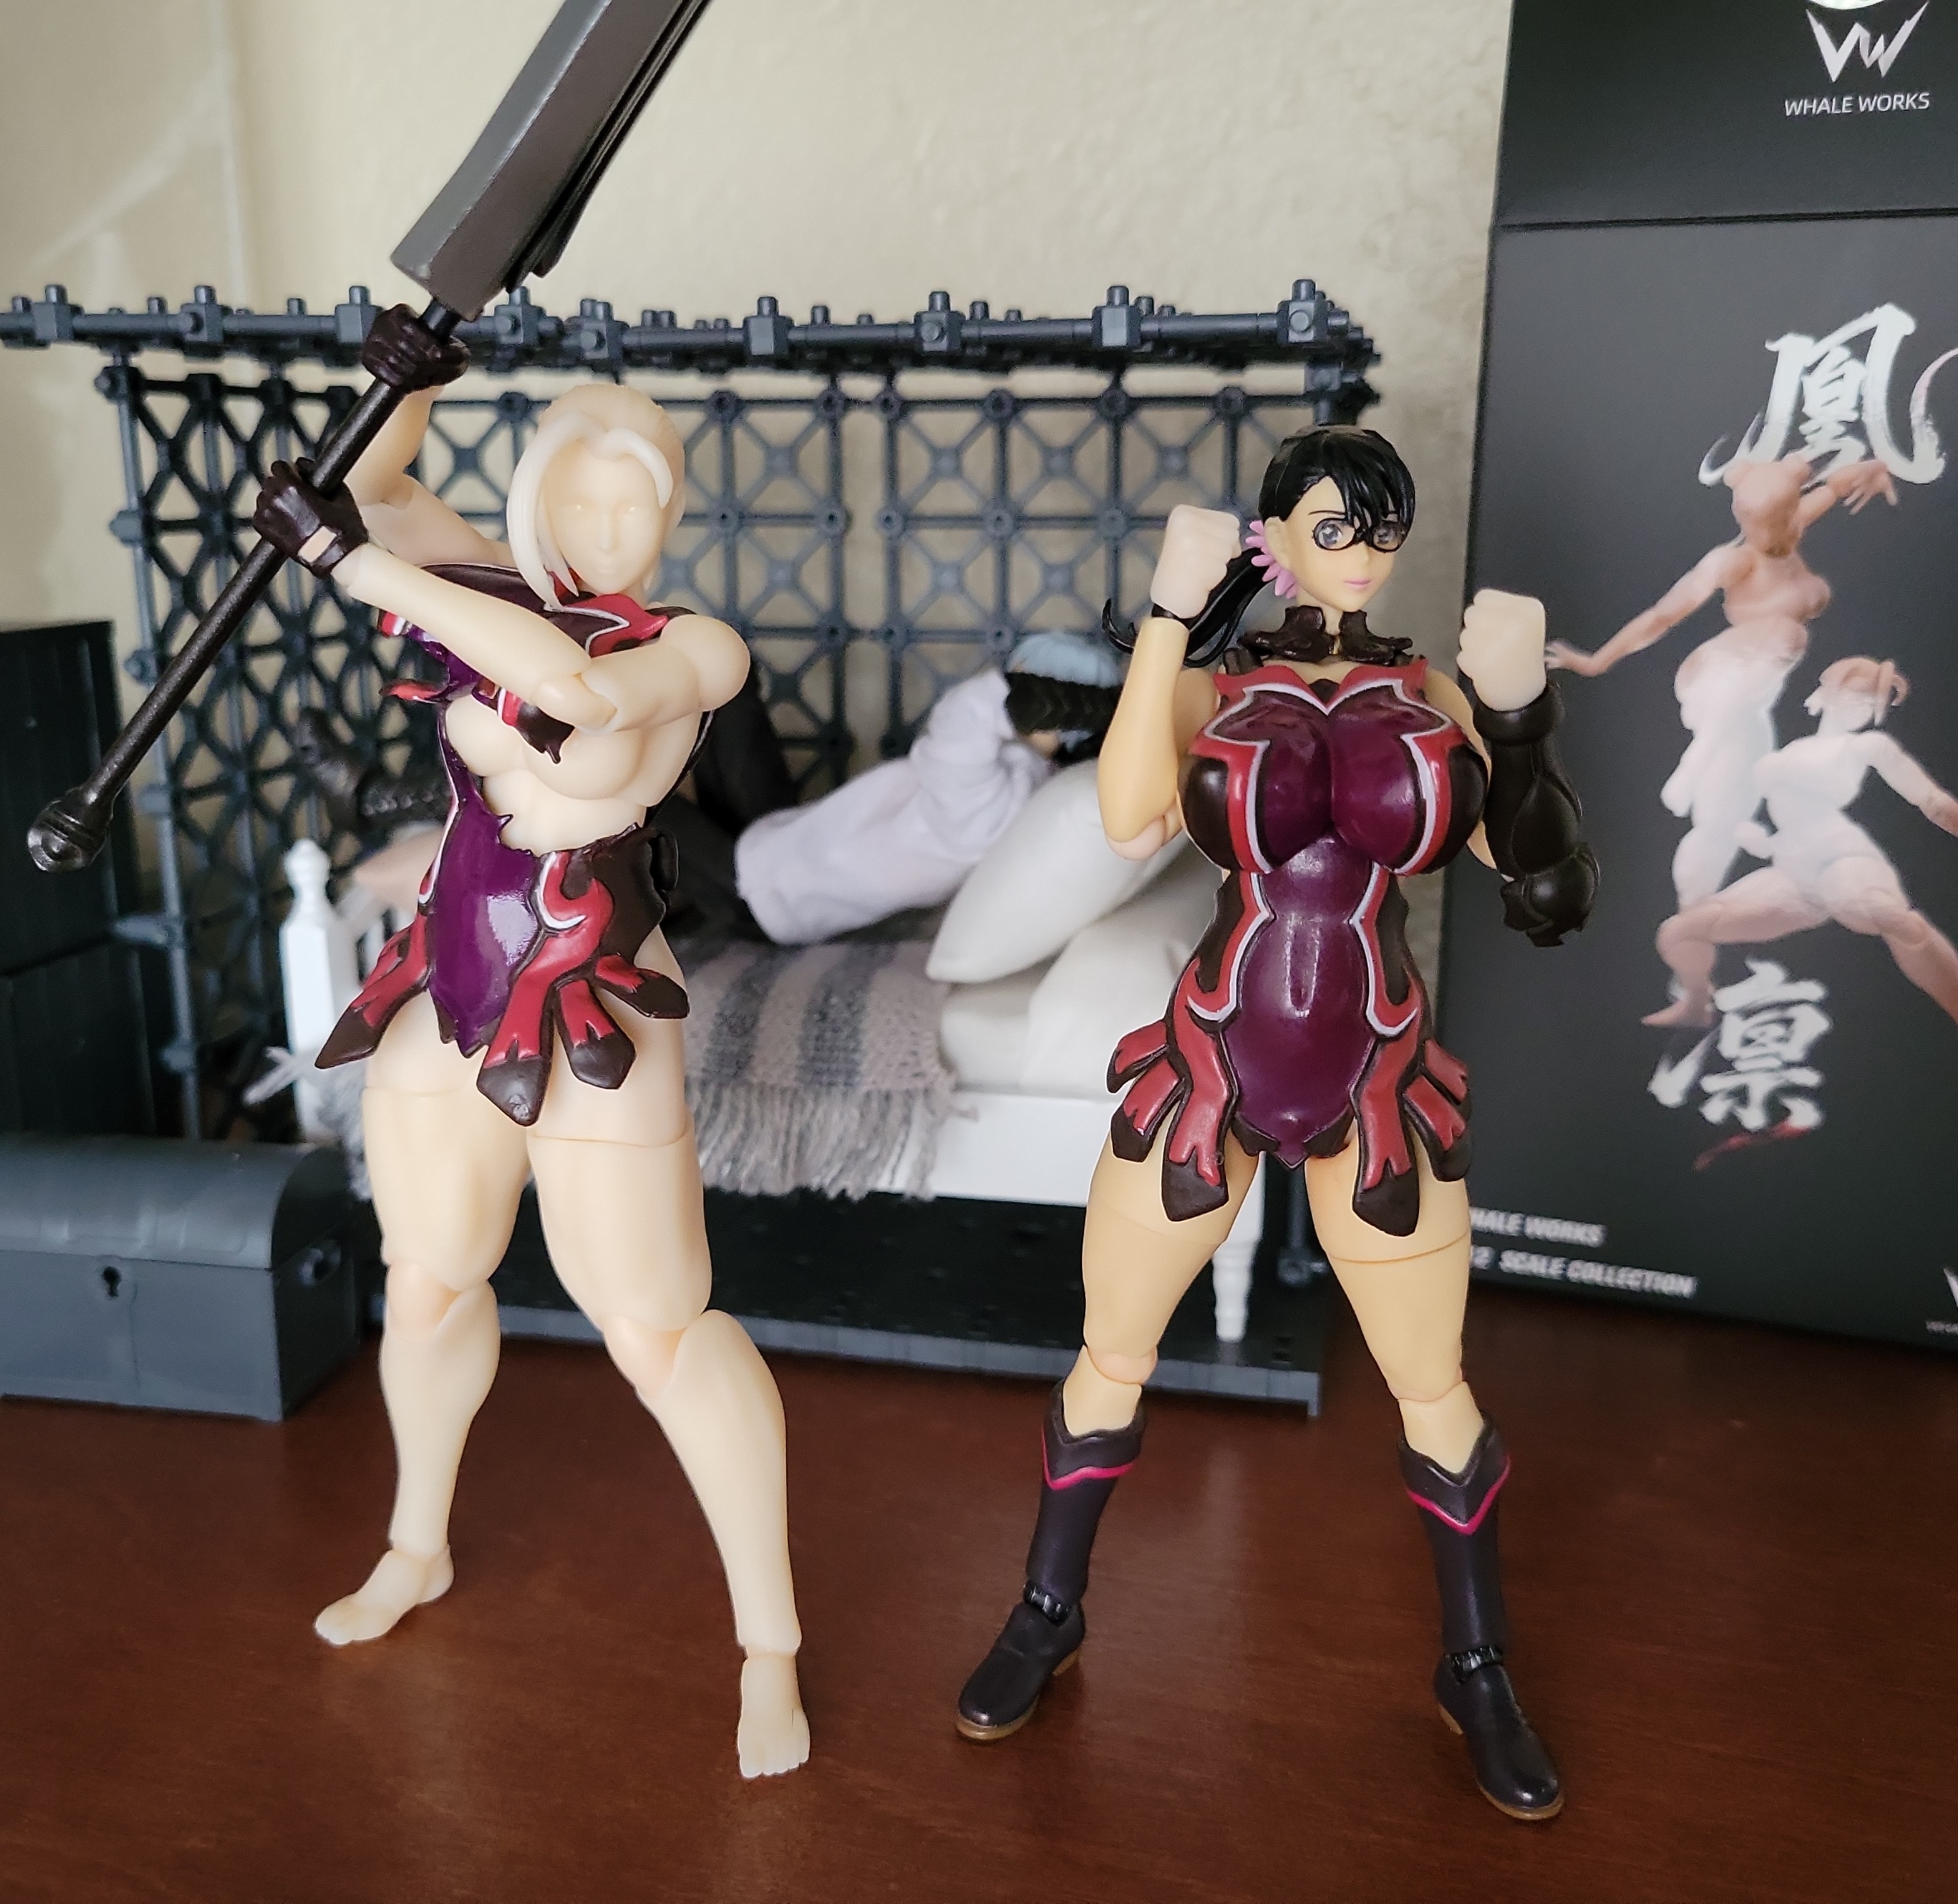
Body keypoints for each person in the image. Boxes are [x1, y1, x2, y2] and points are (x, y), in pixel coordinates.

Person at [953, 426, 1597, 1822]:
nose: (1358, 552)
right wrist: (1168, 615)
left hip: (1376, 1074)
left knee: (1433, 1385)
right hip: (1213, 1062)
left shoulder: (1426, 687)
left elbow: (1549, 891)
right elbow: (1129, 816)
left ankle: (1476, 1664)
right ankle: (1047, 1611)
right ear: (1275, 534)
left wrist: (1519, 709)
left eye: (1378, 529)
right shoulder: (1214, 681)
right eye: (1332, 524)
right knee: (1111, 1353)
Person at [249, 307, 808, 1778]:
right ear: (538, 497)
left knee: (663, 1332)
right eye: (587, 498)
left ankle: (769, 1645)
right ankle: (415, 1542)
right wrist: (410, 384)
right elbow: (370, 485)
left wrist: (355, 570)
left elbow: (572, 697)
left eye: (642, 504)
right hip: (451, 986)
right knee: (428, 1283)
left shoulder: (690, 647)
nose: (614, 530)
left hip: (599, 1005)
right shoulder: (484, 585)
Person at [1547, 451, 1896, 909]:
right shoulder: (1732, 563)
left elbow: (1836, 484)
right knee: (1787, 635)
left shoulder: (1794, 526)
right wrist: (1596, 662)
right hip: (1716, 679)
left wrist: (1875, 469)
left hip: (1749, 702)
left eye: (1780, 523)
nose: (1772, 536)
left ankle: (1696, 905)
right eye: (1758, 527)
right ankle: (1694, 763)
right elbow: (1661, 616)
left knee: (1730, 802)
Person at [1648, 655, 1958, 1028]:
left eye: (1870, 702)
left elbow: (1931, 800)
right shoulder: (1792, 751)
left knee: (1885, 915)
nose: (1862, 707)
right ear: (1829, 693)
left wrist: (1945, 813)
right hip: (1793, 874)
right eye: (1856, 695)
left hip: (1842, 859)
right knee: (1679, 932)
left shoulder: (1864, 746)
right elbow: (1776, 821)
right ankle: (1697, 1006)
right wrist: (1759, 841)